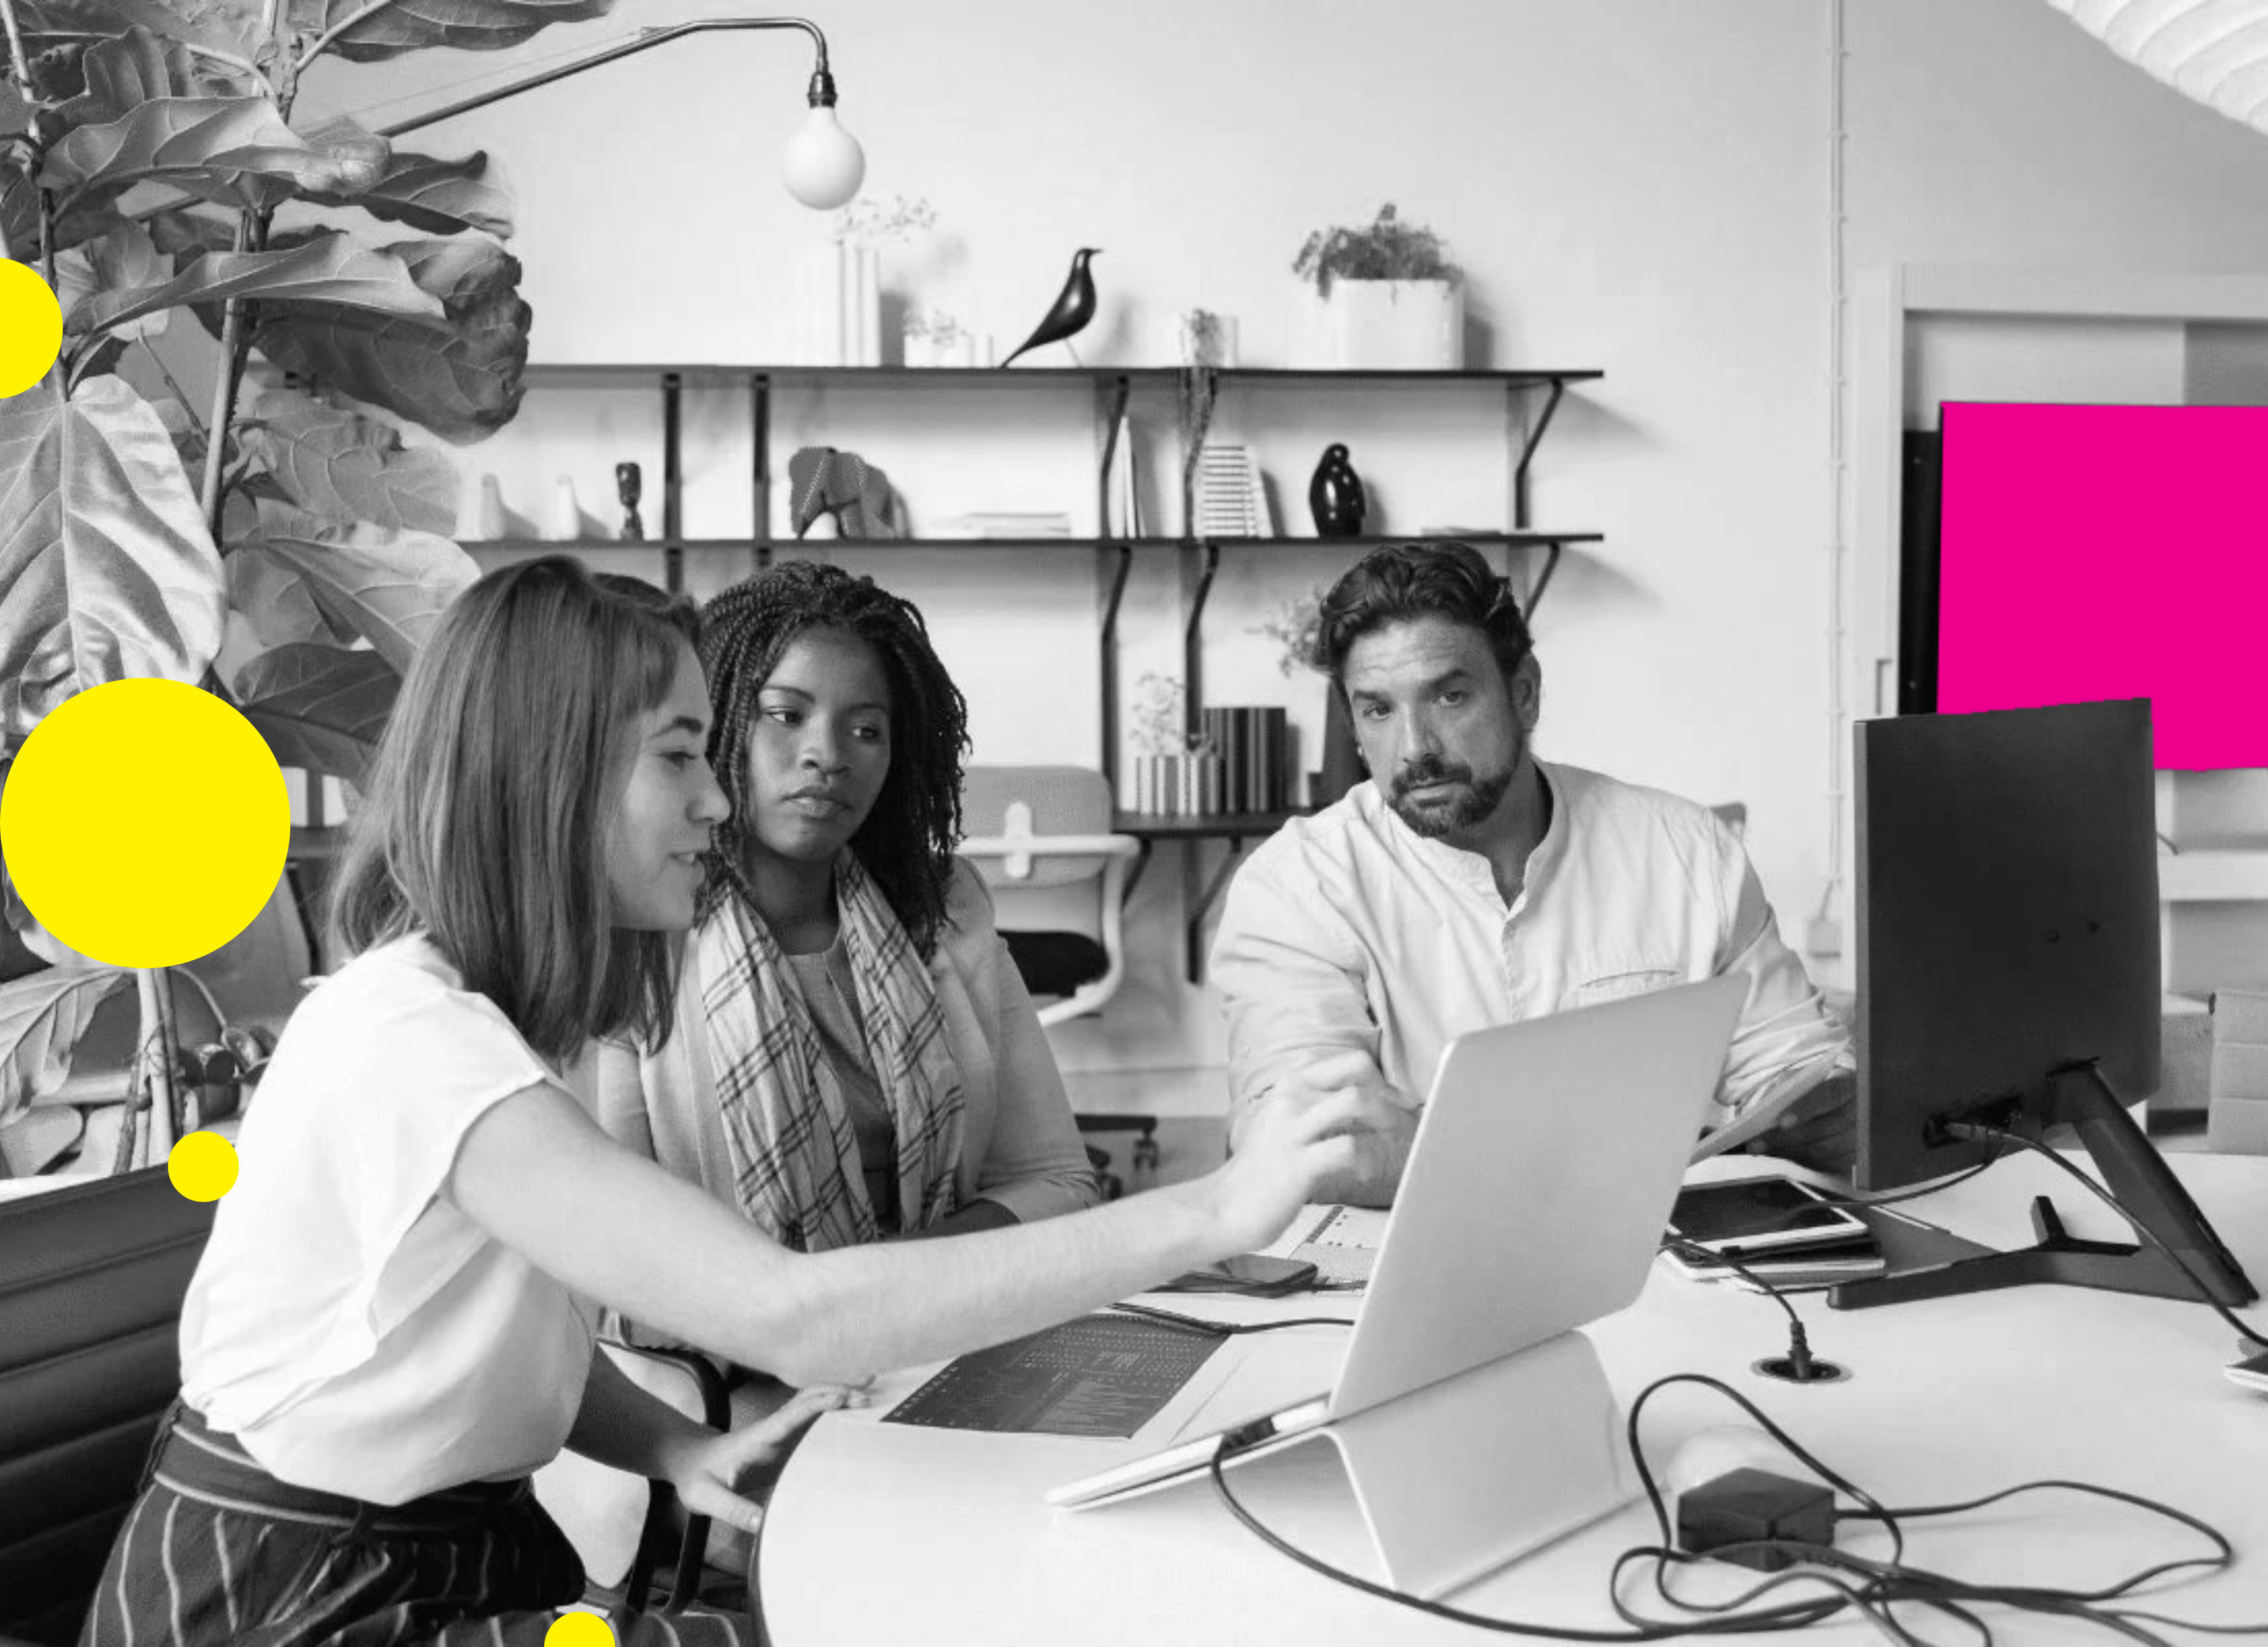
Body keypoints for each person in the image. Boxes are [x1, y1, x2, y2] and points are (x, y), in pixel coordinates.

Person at [82, 558, 1355, 1647]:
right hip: (293, 1600)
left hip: (445, 1553)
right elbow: (789, 1311)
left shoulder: (491, 1014)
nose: (716, 798)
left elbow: (495, 1332)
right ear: (550, 776)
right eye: (685, 754)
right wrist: (1215, 1209)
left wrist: (673, 1450)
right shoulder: (413, 1038)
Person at [1210, 540, 1853, 1209]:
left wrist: (1836, 1107)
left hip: (1660, 1263)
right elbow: (1305, 1146)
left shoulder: (1687, 853)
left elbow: (1800, 1072)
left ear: (1524, 694)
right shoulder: (1296, 887)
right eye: (1378, 709)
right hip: (1407, 1272)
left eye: (1450, 697)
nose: (1416, 748)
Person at [584, 562, 1097, 1301]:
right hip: (726, 1380)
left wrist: (877, 1288)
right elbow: (612, 1262)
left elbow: (1055, 1180)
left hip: (941, 1329)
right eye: (785, 715)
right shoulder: (639, 932)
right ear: (718, 720)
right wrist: (823, 1312)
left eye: (867, 729)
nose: (828, 754)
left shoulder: (945, 908)